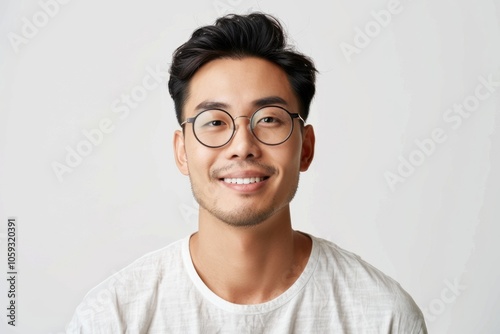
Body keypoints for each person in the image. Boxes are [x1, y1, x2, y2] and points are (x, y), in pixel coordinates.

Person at [67, 12, 427, 333]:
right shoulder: (112, 318)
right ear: (182, 152)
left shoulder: (382, 317)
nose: (242, 145)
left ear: (305, 147)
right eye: (214, 122)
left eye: (269, 119)